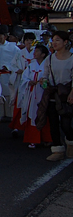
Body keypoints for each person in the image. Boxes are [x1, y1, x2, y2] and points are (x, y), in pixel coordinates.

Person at [39, 31, 73, 162]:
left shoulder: (71, 58)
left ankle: (70, 140)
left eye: (58, 40)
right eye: (53, 40)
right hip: (53, 93)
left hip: (66, 93)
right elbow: (45, 74)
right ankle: (57, 149)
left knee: (65, 123)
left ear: (65, 42)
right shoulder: (50, 58)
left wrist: (72, 93)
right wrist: (43, 81)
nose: (54, 42)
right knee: (53, 122)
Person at [16, 44, 51, 148]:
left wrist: (43, 82)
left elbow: (50, 79)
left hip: (43, 94)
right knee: (32, 115)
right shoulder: (31, 65)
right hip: (32, 94)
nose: (34, 53)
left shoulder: (48, 65)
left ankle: (47, 138)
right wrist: (28, 82)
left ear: (43, 54)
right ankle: (33, 139)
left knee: (45, 114)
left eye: (37, 51)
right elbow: (24, 77)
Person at [0, 26, 19, 121]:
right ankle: (0, 115)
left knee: (8, 93)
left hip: (7, 73)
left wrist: (8, 66)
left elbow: (18, 60)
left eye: (1, 35)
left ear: (5, 36)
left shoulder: (13, 47)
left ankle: (10, 114)